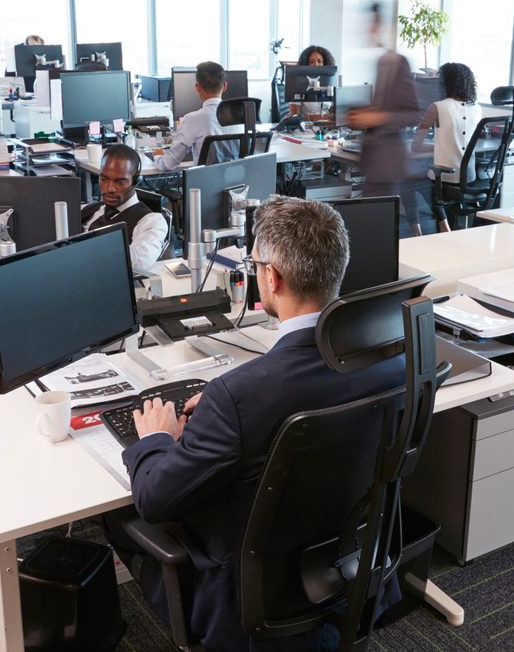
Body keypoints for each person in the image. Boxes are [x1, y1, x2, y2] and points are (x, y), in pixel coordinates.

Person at [104, 196, 405, 650]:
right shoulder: (395, 357)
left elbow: (154, 500)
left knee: (115, 514)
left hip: (248, 600)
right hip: (347, 564)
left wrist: (157, 438)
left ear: (272, 276)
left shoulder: (238, 396)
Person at [349, 3, 423, 236]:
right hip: (372, 158)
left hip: (388, 160)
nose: (368, 30)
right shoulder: (378, 63)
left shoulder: (397, 62)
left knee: (379, 227)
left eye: (373, 24)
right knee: (372, 224)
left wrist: (379, 117)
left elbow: (412, 114)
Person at [411, 62, 483, 233]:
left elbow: (415, 146)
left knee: (408, 182)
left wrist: (436, 147)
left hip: (445, 178)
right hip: (469, 178)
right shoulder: (478, 109)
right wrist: (442, 145)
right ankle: (444, 226)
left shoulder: (436, 107)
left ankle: (423, 233)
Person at [80, 144, 168, 270]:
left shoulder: (152, 222)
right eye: (104, 179)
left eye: (120, 182)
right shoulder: (89, 209)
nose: (109, 189)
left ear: (136, 180)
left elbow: (139, 262)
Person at [148, 61, 226, 170]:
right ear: (225, 86)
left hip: (205, 184)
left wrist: (158, 155)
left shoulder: (192, 120)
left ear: (197, 87)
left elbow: (168, 164)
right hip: (240, 185)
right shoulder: (240, 117)